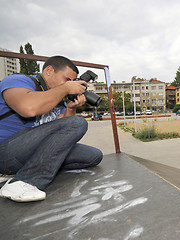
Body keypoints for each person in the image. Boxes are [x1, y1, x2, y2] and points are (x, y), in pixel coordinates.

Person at [0, 56, 103, 202]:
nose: (70, 85)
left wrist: (71, 108)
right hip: (5, 151)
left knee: (93, 155)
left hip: (28, 154)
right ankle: (24, 182)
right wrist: (66, 88)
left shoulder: (58, 99)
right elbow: (28, 109)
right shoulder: (19, 81)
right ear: (49, 71)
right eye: (67, 79)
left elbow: (62, 133)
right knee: (78, 123)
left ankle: (16, 172)